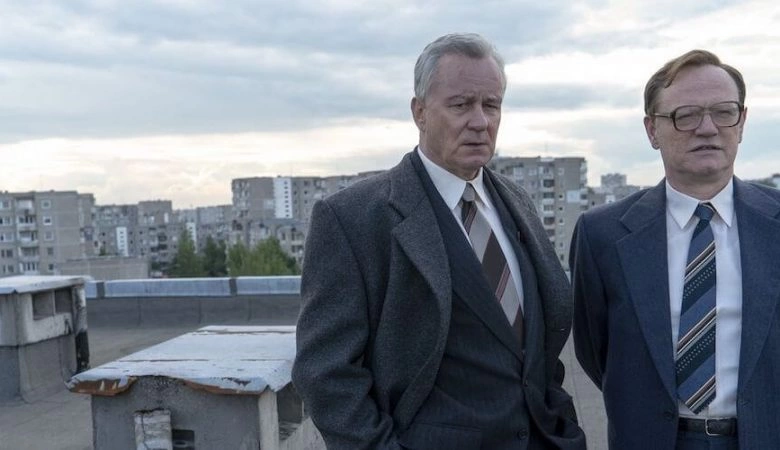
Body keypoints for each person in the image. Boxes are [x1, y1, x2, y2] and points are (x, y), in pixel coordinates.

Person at [292, 33, 586, 450]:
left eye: (491, 105)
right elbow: (326, 373)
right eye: (461, 105)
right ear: (419, 112)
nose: (480, 121)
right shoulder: (353, 218)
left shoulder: (517, 201)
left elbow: (538, 348)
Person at [570, 49, 780, 450]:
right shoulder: (603, 235)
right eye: (686, 115)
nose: (707, 129)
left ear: (742, 122)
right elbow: (595, 352)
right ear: (652, 130)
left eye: (724, 112)